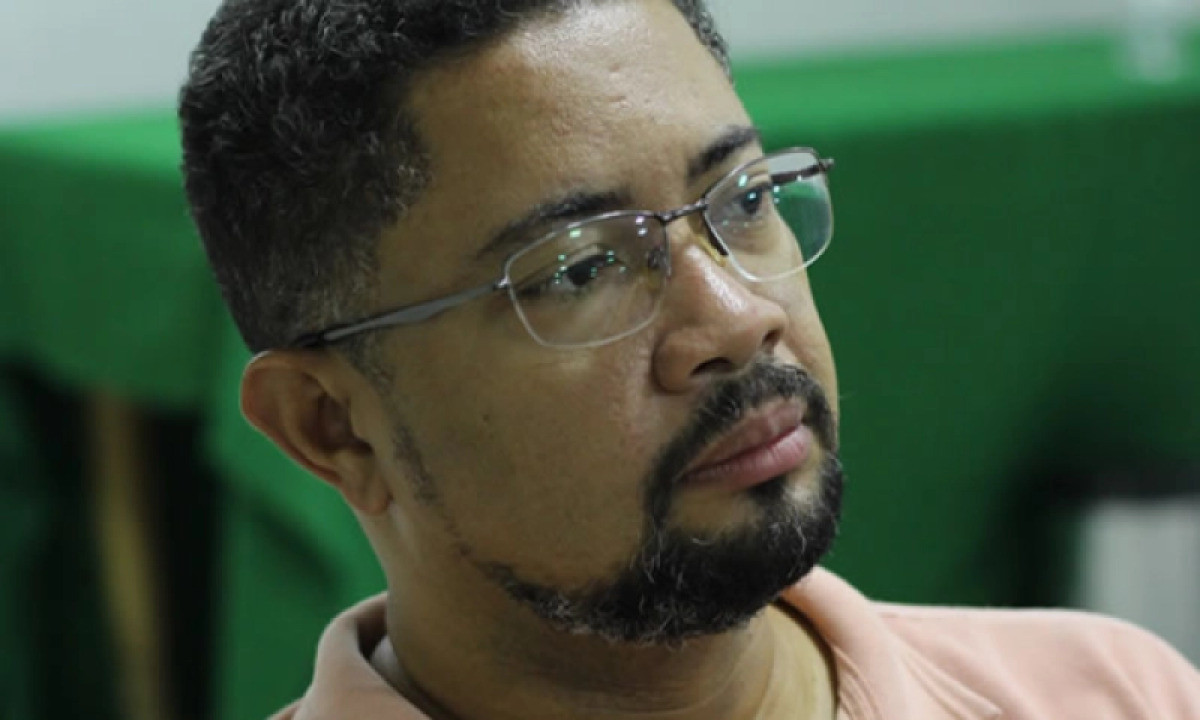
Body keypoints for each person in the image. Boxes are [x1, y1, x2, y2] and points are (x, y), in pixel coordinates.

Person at [178, 1, 1200, 717]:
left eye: (744, 199)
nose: (738, 318)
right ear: (333, 427)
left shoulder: (1110, 696)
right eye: (581, 270)